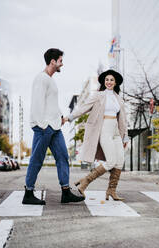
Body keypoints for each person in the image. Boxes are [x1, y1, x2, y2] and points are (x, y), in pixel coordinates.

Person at [22, 48, 85, 205]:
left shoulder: (50, 80)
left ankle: (65, 192)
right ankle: (28, 193)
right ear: (53, 61)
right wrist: (42, 126)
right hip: (44, 127)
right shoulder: (41, 78)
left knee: (63, 156)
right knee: (37, 159)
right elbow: (37, 104)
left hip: (54, 127)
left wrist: (61, 116)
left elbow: (51, 104)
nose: (62, 64)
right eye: (60, 61)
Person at [67, 69, 129, 201]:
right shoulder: (98, 96)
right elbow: (83, 108)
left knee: (119, 162)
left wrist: (125, 136)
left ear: (115, 82)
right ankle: (85, 182)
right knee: (111, 161)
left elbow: (123, 119)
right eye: (107, 80)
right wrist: (70, 117)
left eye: (111, 80)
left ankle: (111, 190)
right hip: (104, 129)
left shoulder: (119, 99)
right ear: (103, 82)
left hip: (116, 131)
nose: (109, 82)